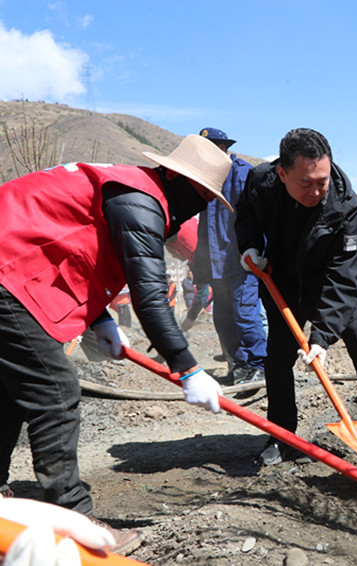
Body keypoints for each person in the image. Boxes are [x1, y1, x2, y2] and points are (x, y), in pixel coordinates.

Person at [0, 134, 232, 554]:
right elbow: (149, 295)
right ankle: (74, 520)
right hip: (7, 273)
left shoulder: (129, 189)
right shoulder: (141, 201)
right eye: (201, 194)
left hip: (12, 269)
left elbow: (77, 252)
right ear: (179, 179)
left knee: (14, 391)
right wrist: (189, 368)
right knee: (56, 392)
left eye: (207, 199)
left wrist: (100, 319)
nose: (199, 205)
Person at [235, 128, 357, 465]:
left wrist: (321, 336)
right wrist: (250, 246)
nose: (317, 191)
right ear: (282, 174)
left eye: (323, 181)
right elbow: (246, 214)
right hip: (284, 279)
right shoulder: (260, 183)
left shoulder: (345, 206)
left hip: (336, 280)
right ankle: (283, 436)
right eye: (306, 183)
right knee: (278, 356)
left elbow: (343, 276)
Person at [196, 127, 267, 385]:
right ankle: (239, 366)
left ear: (222, 148)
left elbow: (259, 217)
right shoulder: (205, 179)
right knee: (223, 318)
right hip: (217, 264)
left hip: (241, 261)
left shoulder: (243, 174)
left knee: (245, 314)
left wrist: (258, 251)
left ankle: (259, 366)